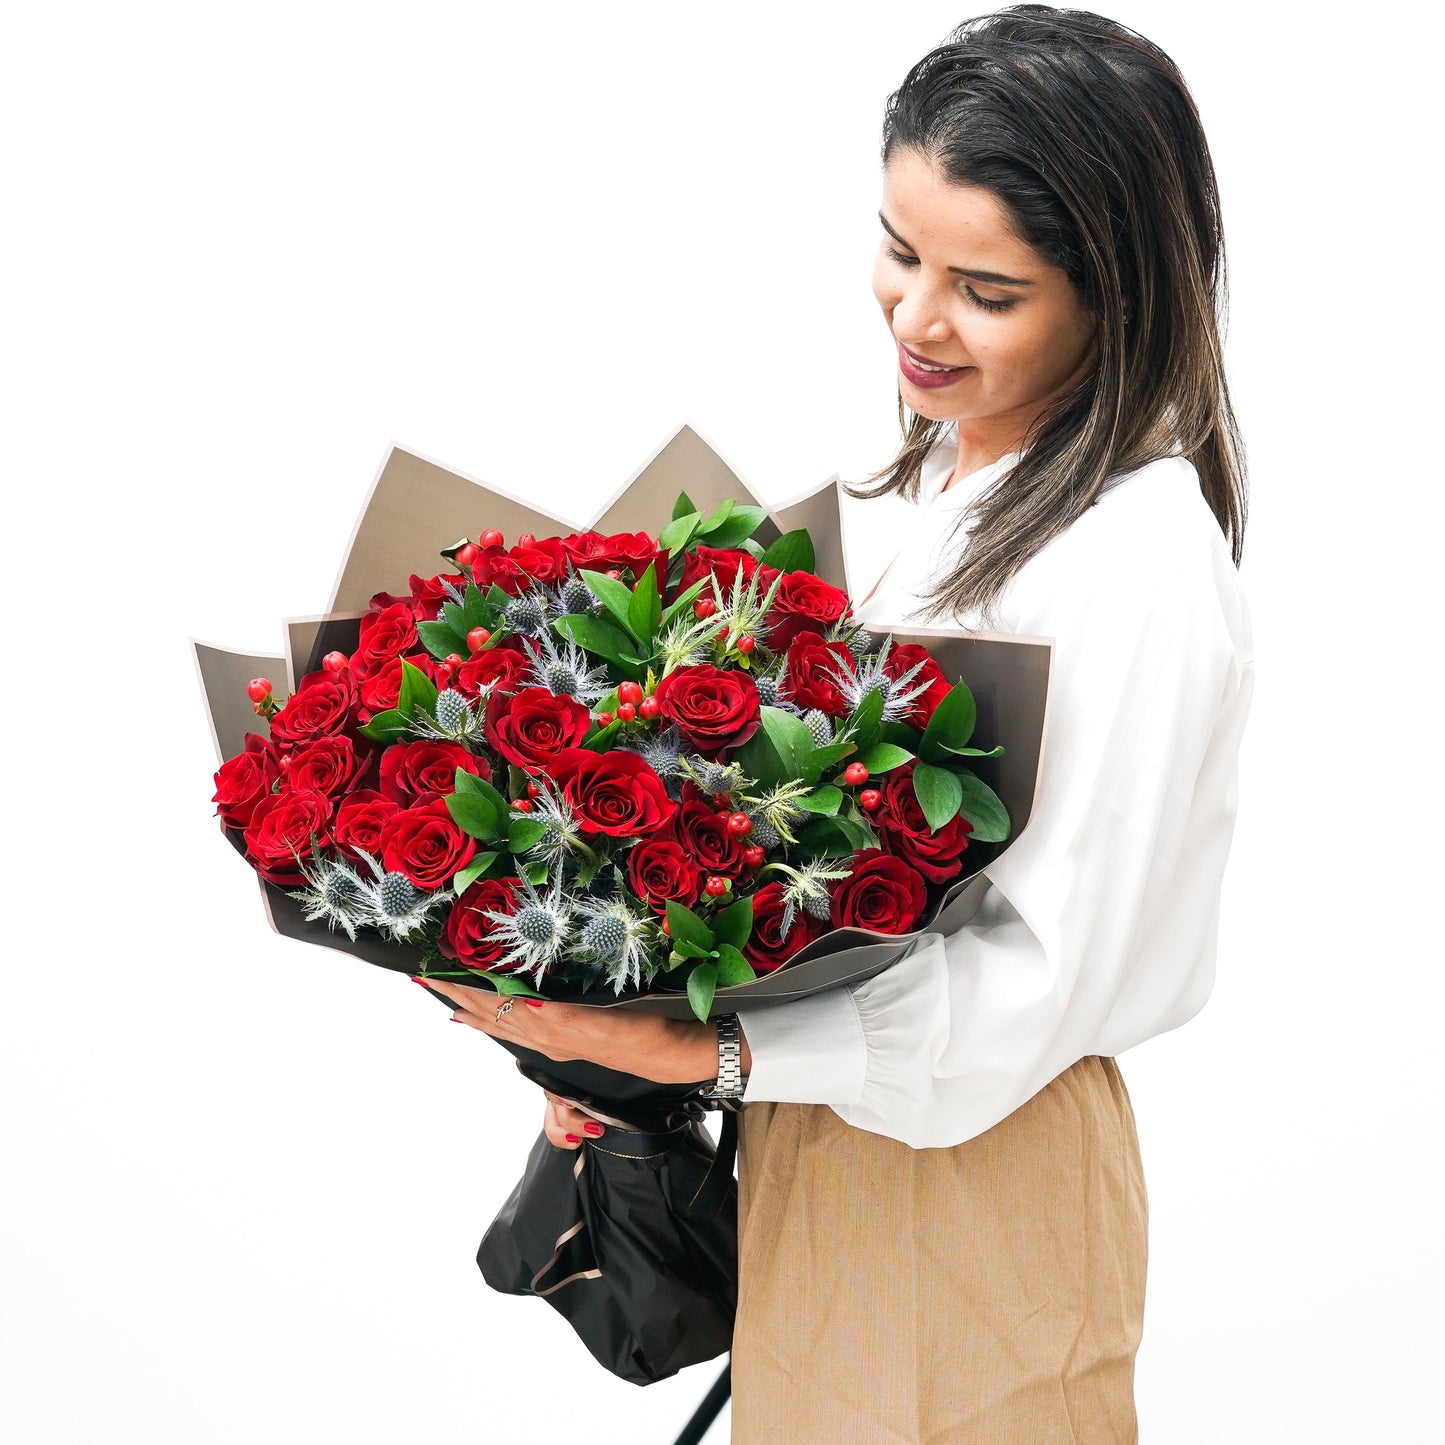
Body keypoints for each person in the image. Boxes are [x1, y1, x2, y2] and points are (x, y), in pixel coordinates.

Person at [426, 6, 1255, 1440]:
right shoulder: (933, 493)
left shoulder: (1135, 556)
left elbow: (1039, 984)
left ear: (1114, 296)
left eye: (984, 290)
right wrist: (613, 1030)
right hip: (835, 1141)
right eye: (898, 248)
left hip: (982, 1165)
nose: (916, 318)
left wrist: (715, 1055)